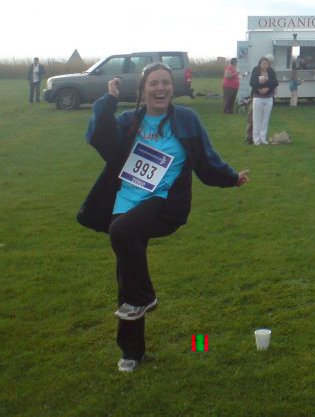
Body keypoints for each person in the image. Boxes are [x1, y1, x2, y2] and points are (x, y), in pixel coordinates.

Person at [76, 63, 249, 372]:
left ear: (172, 87)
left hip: (165, 203)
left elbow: (207, 160)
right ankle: (132, 351)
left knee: (120, 234)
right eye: (154, 83)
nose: (160, 88)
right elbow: (99, 138)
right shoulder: (129, 121)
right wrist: (109, 100)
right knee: (127, 275)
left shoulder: (187, 120)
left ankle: (145, 296)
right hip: (126, 199)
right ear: (143, 90)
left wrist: (231, 177)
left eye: (166, 83)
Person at [249, 56, 278, 145]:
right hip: (258, 98)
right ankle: (256, 140)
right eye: (263, 64)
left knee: (265, 119)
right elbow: (252, 83)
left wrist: (267, 87)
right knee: (257, 119)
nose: (265, 65)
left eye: (267, 64)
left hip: (268, 98)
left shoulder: (271, 71)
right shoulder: (255, 71)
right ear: (260, 64)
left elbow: (275, 82)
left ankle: (263, 138)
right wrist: (259, 89)